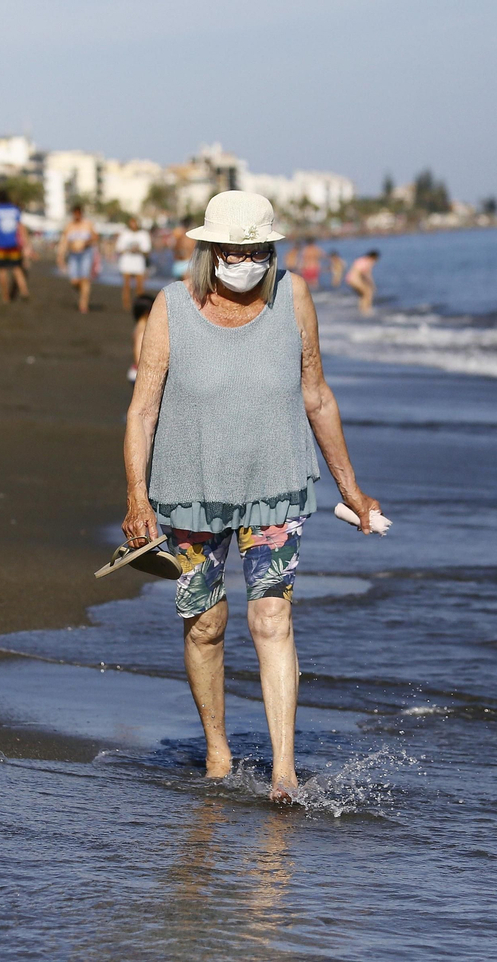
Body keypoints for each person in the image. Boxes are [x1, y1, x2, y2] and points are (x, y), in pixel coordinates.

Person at [122, 190, 381, 802]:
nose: (246, 259)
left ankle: (284, 771)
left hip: (275, 490)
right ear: (210, 251)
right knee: (206, 624)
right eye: (235, 250)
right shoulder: (170, 307)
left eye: (257, 249)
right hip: (188, 494)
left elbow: (315, 394)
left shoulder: (293, 297)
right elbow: (143, 410)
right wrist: (137, 498)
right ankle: (218, 752)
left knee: (273, 618)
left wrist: (352, 489)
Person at [0, 189, 31, 303]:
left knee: (1, 270)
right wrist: (26, 244)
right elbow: (21, 227)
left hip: (1, 246)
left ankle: (6, 296)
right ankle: (24, 291)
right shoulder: (14, 210)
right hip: (14, 245)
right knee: (17, 269)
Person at [57, 204, 98, 314]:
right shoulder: (69, 226)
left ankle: (83, 304)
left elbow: (95, 237)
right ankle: (83, 293)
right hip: (73, 255)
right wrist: (60, 257)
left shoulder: (87, 224)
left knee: (85, 278)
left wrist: (86, 243)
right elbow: (64, 242)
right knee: (74, 281)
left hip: (86, 253)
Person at [115, 216, 152, 309]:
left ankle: (139, 304)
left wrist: (138, 250)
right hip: (126, 263)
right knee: (126, 286)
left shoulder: (143, 234)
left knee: (139, 286)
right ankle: (126, 305)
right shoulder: (125, 234)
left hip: (138, 263)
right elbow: (118, 249)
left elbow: (147, 250)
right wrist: (129, 249)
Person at [128, 291, 154, 383]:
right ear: (147, 312)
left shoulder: (139, 326)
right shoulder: (142, 331)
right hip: (140, 374)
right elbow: (138, 357)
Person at [345, 250, 379, 315]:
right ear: (374, 257)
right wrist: (372, 284)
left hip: (350, 279)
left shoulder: (361, 259)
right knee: (368, 293)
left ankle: (361, 310)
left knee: (362, 295)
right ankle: (366, 311)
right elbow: (366, 274)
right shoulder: (368, 261)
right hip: (355, 280)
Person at [171, 215, 194, 280]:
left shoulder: (178, 235)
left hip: (180, 265)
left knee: (179, 287)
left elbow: (174, 249)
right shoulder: (192, 237)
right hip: (188, 265)